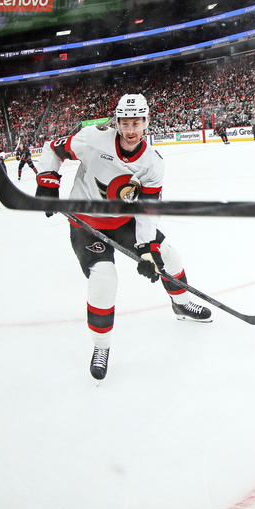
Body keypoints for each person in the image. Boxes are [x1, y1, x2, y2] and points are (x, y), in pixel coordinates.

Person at [35, 93, 213, 380]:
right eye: (125, 123)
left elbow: (147, 208)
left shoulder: (152, 162)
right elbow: (52, 149)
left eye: (137, 123)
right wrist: (47, 182)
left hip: (123, 222)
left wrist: (147, 247)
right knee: (104, 279)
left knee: (168, 255)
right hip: (86, 223)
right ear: (117, 122)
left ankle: (180, 303)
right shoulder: (92, 139)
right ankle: (101, 346)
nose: (131, 130)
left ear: (146, 123)